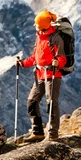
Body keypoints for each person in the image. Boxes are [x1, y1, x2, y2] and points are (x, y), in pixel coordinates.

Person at [17, 9, 66, 142]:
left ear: (43, 25)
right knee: (32, 102)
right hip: (39, 75)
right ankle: (38, 132)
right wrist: (22, 63)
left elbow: (63, 58)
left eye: (37, 23)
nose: (34, 25)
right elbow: (35, 58)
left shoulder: (56, 38)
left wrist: (58, 62)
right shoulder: (40, 37)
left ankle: (53, 134)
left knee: (51, 104)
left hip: (53, 75)